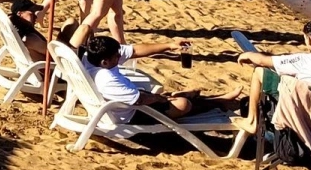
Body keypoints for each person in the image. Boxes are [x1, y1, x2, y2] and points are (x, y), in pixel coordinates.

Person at [85, 36, 244, 123]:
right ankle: (219, 103)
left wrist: (170, 45)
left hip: (124, 103)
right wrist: (160, 98)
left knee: (176, 97)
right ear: (105, 62)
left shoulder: (90, 58)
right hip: (129, 115)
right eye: (116, 56)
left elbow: (135, 50)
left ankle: (218, 99)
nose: (120, 56)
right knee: (182, 104)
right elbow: (140, 99)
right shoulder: (107, 79)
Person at [233, 20, 311, 134]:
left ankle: (251, 121)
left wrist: (248, 54)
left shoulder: (303, 60)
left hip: (301, 111)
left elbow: (263, 61)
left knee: (259, 71)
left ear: (309, 40)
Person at [10, 0, 189, 64]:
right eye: (31, 12)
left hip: (61, 58)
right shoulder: (30, 39)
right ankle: (169, 45)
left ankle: (169, 45)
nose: (36, 14)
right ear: (20, 14)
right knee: (88, 30)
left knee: (72, 22)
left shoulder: (22, 31)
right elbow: (55, 56)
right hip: (65, 66)